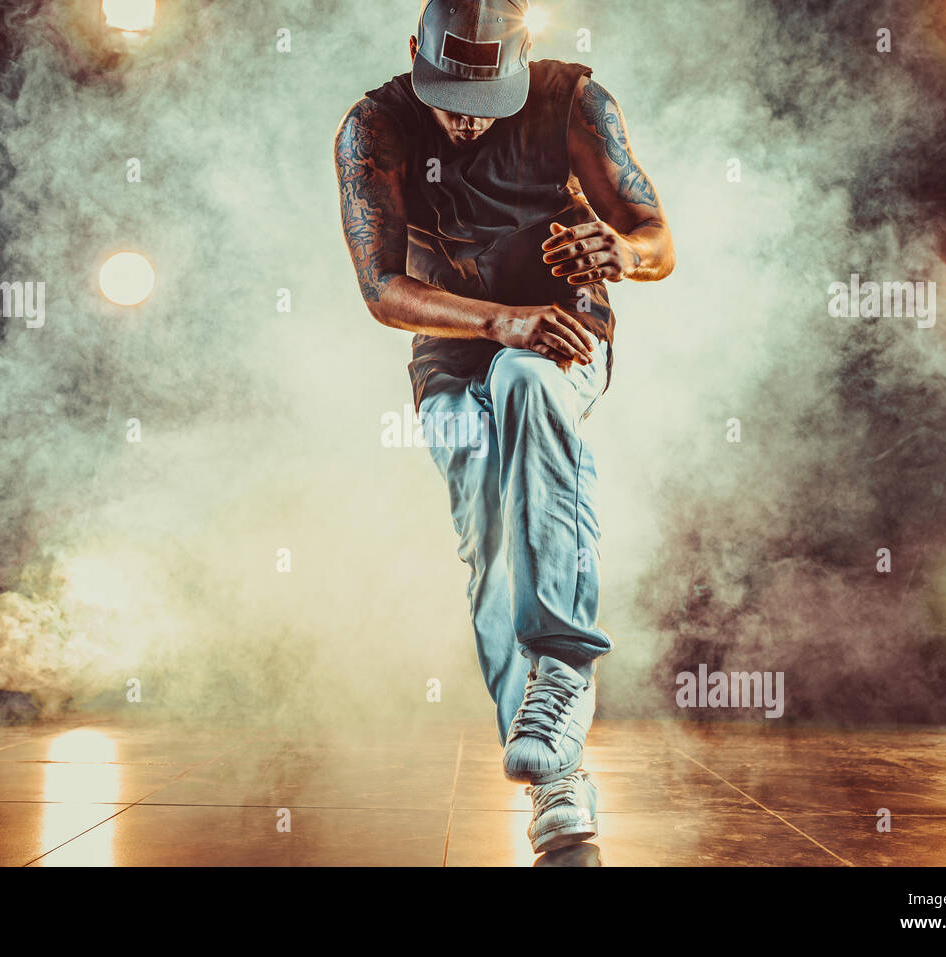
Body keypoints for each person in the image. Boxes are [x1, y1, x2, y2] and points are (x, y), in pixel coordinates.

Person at [333, 0, 674, 854]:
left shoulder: (574, 102)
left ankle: (561, 661)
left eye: (486, 98)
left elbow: (657, 238)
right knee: (487, 530)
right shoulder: (374, 126)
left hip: (561, 333)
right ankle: (557, 783)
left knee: (526, 380)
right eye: (448, 93)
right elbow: (380, 290)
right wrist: (495, 321)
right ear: (415, 53)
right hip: (453, 351)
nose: (466, 116)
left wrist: (620, 254)